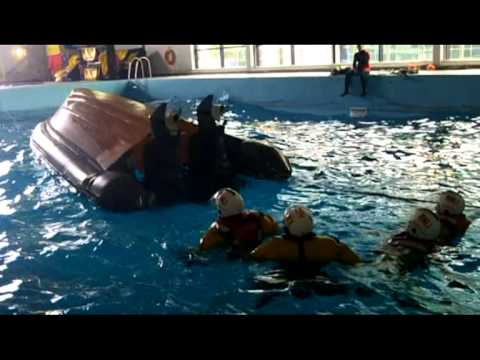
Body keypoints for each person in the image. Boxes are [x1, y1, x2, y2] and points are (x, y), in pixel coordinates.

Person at [250, 205, 361, 267]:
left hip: (283, 278)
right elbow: (356, 261)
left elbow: (252, 257)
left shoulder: (275, 245)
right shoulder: (329, 243)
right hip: (320, 279)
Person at [199, 188, 279, 255]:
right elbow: (276, 231)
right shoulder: (260, 218)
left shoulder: (215, 231)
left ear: (220, 210)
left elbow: (202, 250)